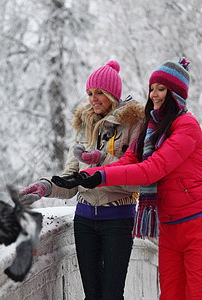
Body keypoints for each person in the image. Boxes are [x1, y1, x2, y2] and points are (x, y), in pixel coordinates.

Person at [52, 58, 202, 300]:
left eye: (161, 89)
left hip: (195, 225)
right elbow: (127, 161)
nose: (153, 94)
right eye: (152, 88)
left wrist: (99, 175)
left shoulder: (188, 127)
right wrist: (86, 176)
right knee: (171, 295)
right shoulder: (153, 127)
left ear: (177, 94)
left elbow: (150, 170)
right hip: (169, 226)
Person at [21, 60, 144, 300]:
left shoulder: (134, 125)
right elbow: (72, 180)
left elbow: (137, 178)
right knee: (92, 296)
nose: (93, 98)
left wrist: (102, 160)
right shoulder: (83, 127)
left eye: (99, 92)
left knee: (111, 295)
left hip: (118, 220)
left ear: (112, 94)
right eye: (89, 93)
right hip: (85, 220)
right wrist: (47, 186)